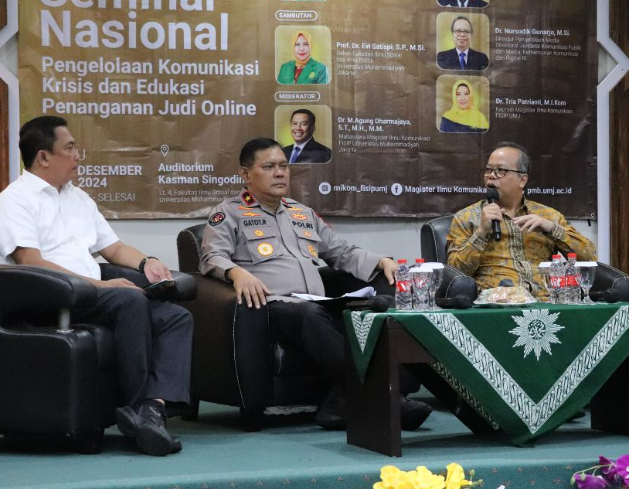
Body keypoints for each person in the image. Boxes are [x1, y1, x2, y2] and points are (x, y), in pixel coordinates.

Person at [0, 116, 192, 456]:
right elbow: (31, 262)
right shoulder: (14, 201)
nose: (79, 155)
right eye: (70, 148)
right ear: (43, 157)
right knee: (129, 301)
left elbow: (113, 248)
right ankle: (137, 407)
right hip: (41, 297)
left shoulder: (78, 198)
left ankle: (152, 407)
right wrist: (101, 285)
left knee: (174, 316)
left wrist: (146, 262)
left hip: (88, 292)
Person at [199, 138, 432, 430]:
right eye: (269, 167)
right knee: (310, 316)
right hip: (272, 306)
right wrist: (236, 273)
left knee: (379, 310)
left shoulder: (302, 213)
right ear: (245, 174)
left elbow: (341, 252)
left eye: (283, 166)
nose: (280, 173)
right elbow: (211, 256)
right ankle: (380, 397)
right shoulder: (229, 213)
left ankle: (340, 403)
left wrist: (382, 262)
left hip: (315, 303)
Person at [446, 142, 597, 297]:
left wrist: (552, 229)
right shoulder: (467, 217)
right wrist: (481, 232)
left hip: (545, 302)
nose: (491, 176)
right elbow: (454, 274)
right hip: (496, 304)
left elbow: (589, 257)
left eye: (501, 171)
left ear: (522, 180)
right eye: (489, 170)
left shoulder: (548, 215)